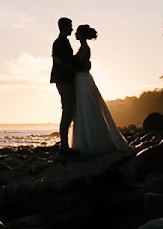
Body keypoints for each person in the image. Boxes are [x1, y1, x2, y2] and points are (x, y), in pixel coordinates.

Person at [70, 24, 133, 156]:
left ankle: (94, 142)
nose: (75, 34)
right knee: (83, 108)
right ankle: (85, 141)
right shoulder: (83, 47)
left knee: (88, 107)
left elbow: (81, 65)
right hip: (81, 79)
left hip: (83, 79)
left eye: (77, 32)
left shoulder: (85, 48)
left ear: (81, 34)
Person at [50, 17, 78, 155]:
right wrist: (72, 67)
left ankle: (65, 143)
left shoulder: (65, 42)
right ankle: (64, 145)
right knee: (67, 110)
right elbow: (57, 60)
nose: (72, 29)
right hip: (63, 80)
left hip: (66, 79)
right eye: (70, 26)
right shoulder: (58, 42)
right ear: (63, 27)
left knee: (69, 109)